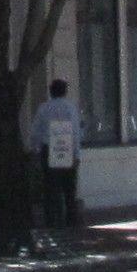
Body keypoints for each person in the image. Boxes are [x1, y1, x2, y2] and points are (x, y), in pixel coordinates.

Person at [27, 76, 84, 233]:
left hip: (49, 148)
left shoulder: (44, 109)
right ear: (64, 92)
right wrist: (76, 155)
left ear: (51, 92)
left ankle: (52, 221)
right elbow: (76, 133)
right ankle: (71, 221)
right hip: (66, 148)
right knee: (69, 188)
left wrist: (35, 151)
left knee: (51, 187)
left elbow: (35, 133)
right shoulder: (70, 108)